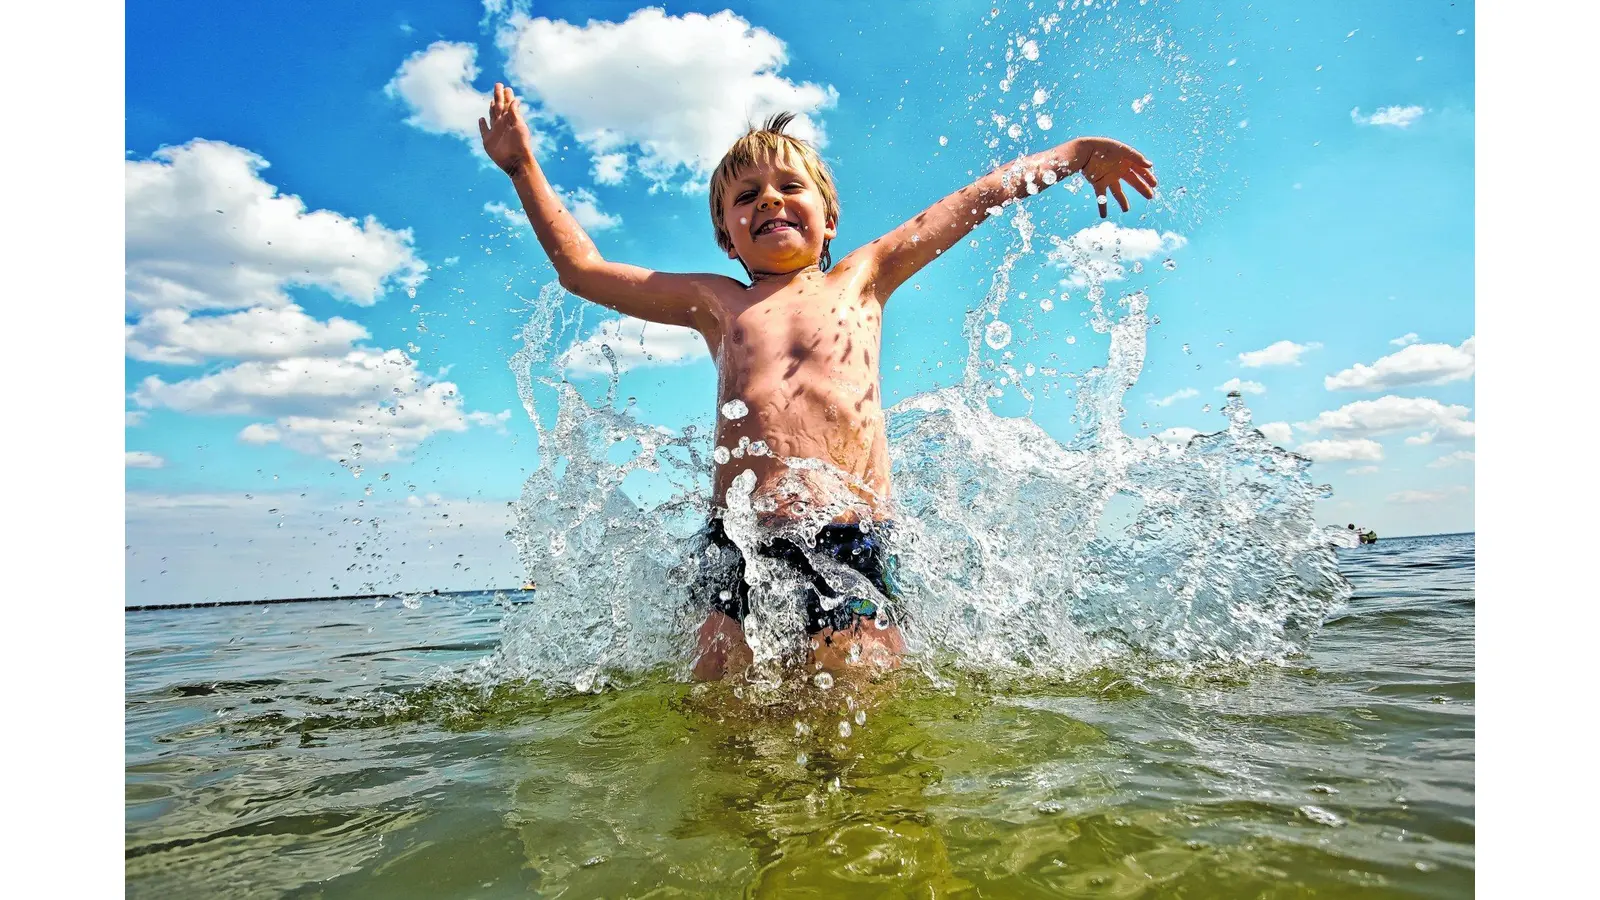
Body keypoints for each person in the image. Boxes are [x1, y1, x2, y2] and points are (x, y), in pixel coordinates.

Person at [479, 84, 1156, 680]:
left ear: (828, 217)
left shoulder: (864, 277)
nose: (769, 200)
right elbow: (582, 270)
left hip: (848, 533)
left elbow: (975, 198)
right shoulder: (716, 302)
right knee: (719, 680)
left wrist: (1075, 154)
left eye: (788, 187)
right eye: (746, 198)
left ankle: (861, 816)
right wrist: (521, 168)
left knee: (861, 678)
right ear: (728, 238)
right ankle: (742, 814)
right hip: (738, 539)